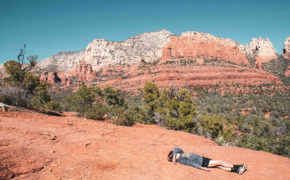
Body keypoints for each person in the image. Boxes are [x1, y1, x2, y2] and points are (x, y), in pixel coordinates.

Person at [167, 147, 247, 175]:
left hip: (202, 158)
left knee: (218, 166)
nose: (176, 153)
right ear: (174, 157)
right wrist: (202, 168)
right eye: (174, 154)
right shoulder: (181, 160)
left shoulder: (181, 153)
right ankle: (238, 167)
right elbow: (191, 164)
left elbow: (176, 148)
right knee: (220, 162)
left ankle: (237, 171)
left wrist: (174, 154)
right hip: (202, 162)